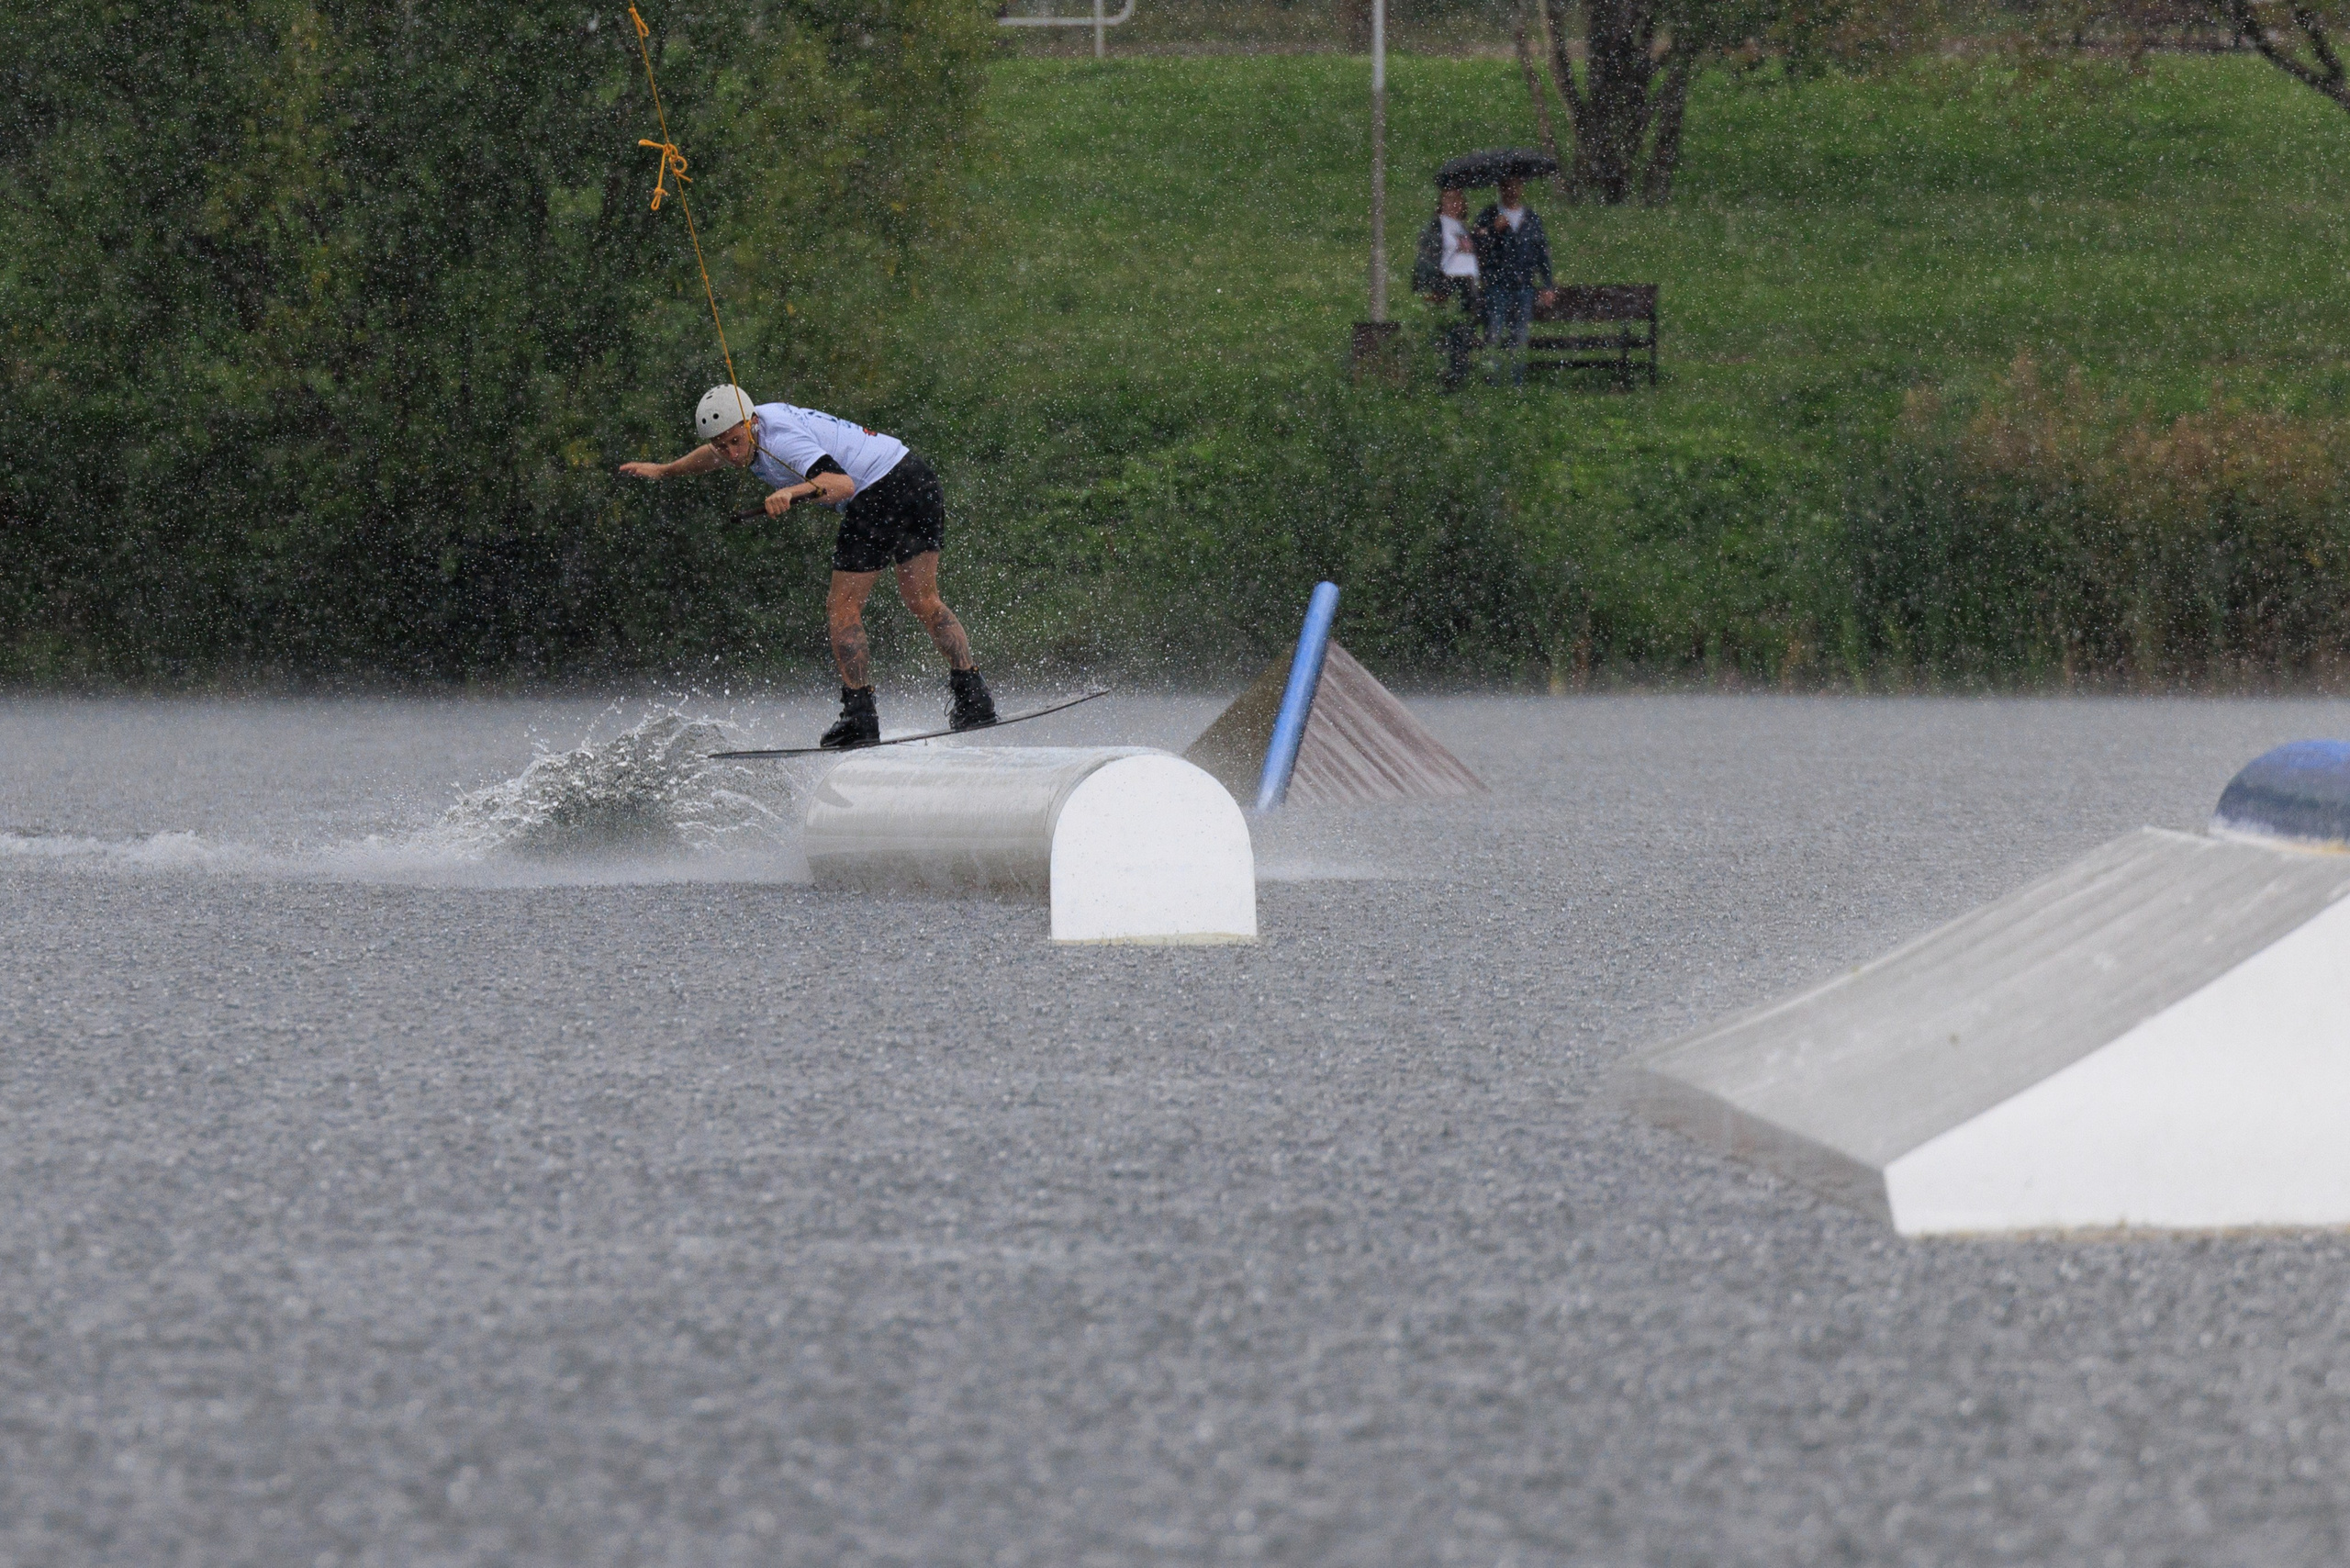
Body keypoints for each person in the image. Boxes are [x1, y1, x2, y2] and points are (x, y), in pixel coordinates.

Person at [619, 386, 996, 748]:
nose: (731, 454)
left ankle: (860, 716)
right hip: (915, 475)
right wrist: (665, 471)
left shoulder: (780, 439)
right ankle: (974, 697)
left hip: (878, 492)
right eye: (722, 446)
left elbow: (841, 484)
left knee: (842, 608)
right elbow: (710, 454)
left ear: (750, 423)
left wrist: (790, 491)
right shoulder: (748, 426)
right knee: (922, 599)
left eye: (736, 442)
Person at [1470, 176, 1557, 387]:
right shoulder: (1489, 215)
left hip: (1524, 288)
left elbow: (1541, 254)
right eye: (1507, 186)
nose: (1512, 191)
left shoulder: (1531, 219)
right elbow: (1476, 248)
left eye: (1516, 185)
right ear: (1500, 188)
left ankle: (1516, 384)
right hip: (1496, 287)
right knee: (1494, 335)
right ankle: (1493, 384)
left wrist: (1547, 285)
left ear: (1521, 187)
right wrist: (1493, 230)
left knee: (1519, 337)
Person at [1412, 186, 1483, 391]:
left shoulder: (1462, 227)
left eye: (1459, 199)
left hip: (1468, 285)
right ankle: (1449, 380)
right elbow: (1426, 259)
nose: (1455, 203)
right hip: (1450, 284)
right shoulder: (1436, 226)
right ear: (1441, 202)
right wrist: (1432, 287)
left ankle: (1460, 376)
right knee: (1451, 333)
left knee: (1464, 333)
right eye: (1450, 199)